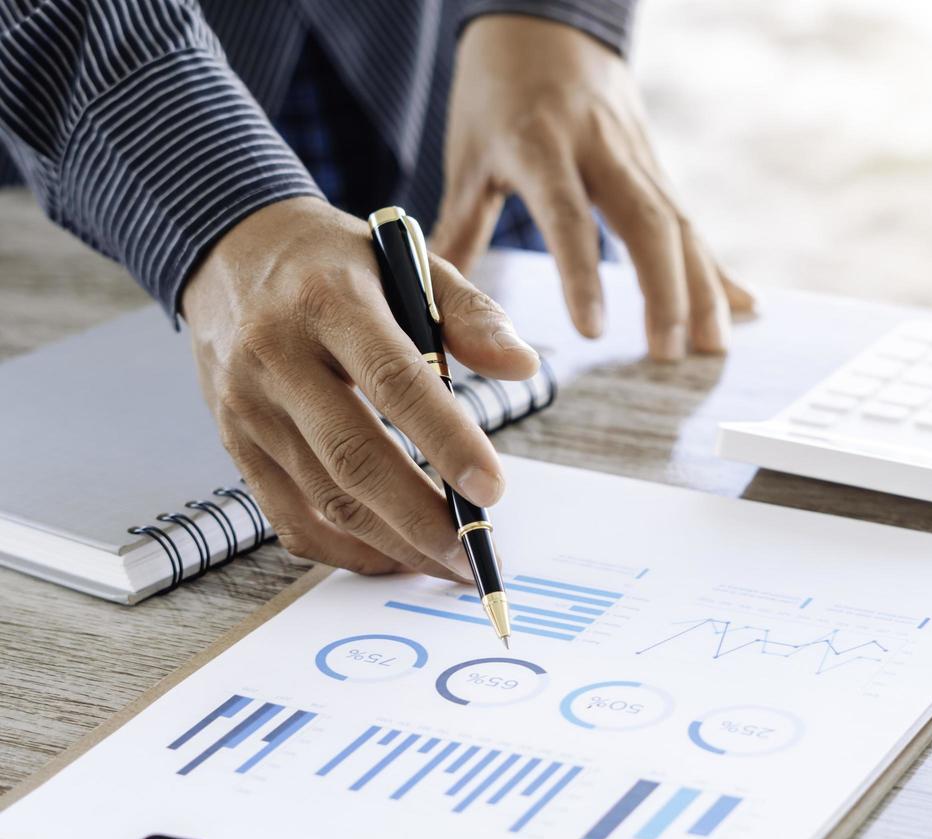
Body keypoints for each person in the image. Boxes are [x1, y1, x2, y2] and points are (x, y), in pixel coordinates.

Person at [0, 0, 754, 583]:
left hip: (465, 69)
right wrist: (209, 196)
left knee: (506, 357)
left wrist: (557, 17)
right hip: (102, 127)